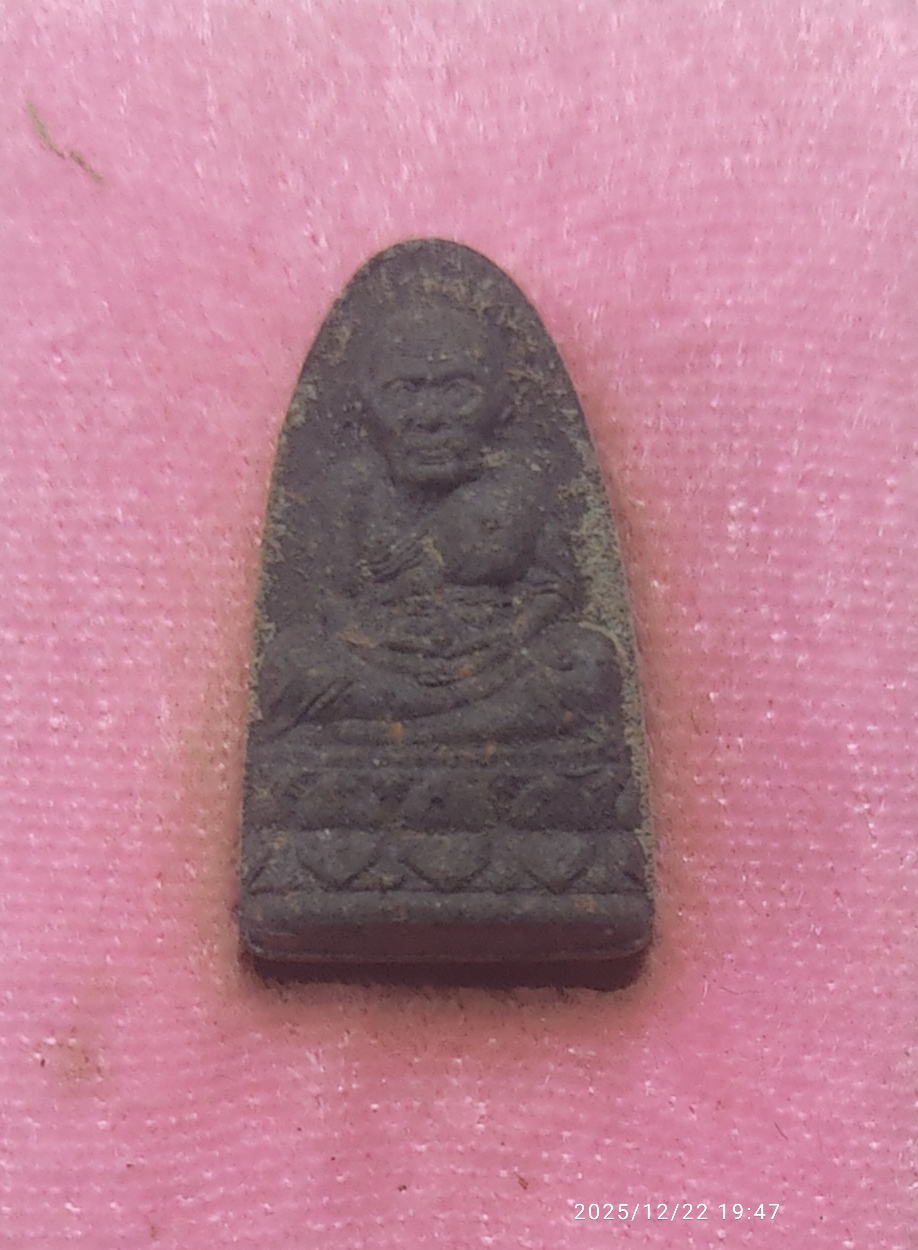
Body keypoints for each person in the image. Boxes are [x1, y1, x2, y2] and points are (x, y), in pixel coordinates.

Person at [256, 296, 620, 746]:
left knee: (589, 661)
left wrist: (508, 637)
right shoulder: (350, 488)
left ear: (502, 404)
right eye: (404, 392)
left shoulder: (522, 486)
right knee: (290, 667)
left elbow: (555, 588)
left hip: (495, 653)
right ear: (366, 406)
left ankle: (394, 738)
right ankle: (463, 734)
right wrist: (378, 641)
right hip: (384, 658)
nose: (429, 417)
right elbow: (327, 597)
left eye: (457, 391)